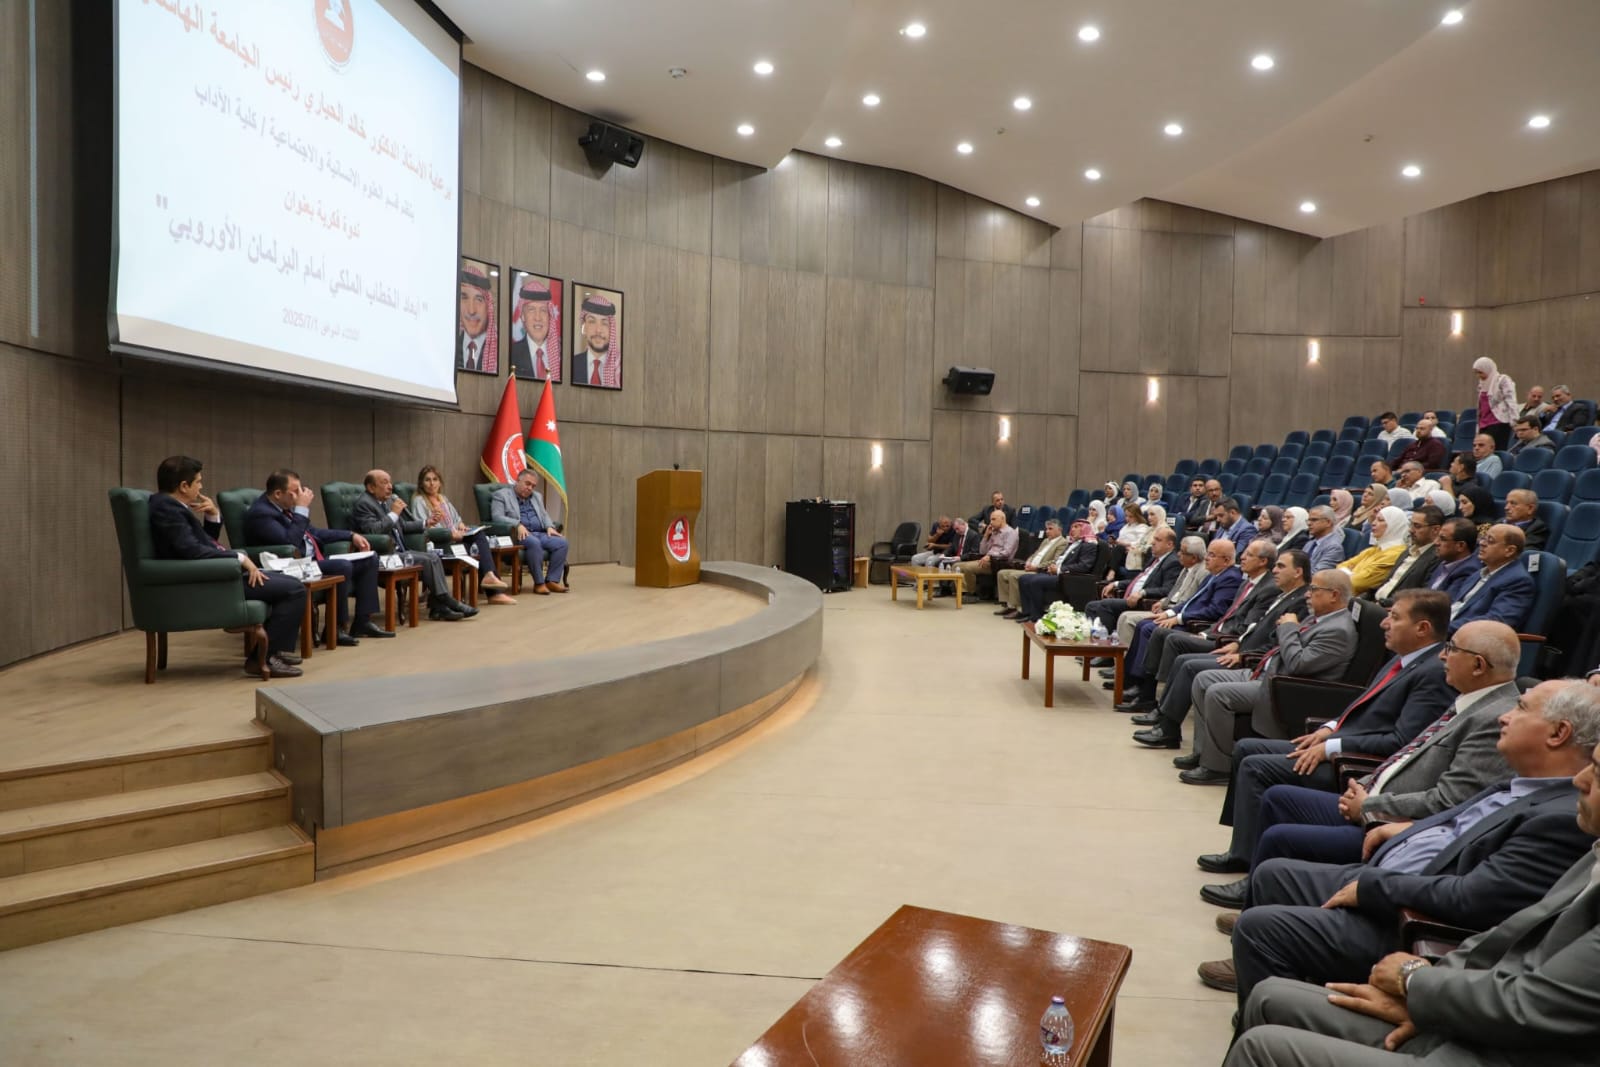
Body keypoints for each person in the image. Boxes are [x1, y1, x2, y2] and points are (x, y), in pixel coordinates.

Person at [1221, 684, 1600, 1067]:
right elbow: (1499, 939)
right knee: (1268, 990)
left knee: (1261, 1010)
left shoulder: (1562, 819)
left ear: (1558, 733)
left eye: (1597, 771)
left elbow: (1486, 918)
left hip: (1431, 949)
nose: (1580, 779)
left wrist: (1415, 981)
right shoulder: (1567, 830)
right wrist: (1425, 987)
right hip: (1450, 977)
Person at [1194, 589, 1454, 874]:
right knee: (1246, 748)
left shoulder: (1432, 674)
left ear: (1422, 628)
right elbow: (1363, 705)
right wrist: (1330, 727)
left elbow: (1402, 742)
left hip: (1356, 763)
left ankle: (1248, 860)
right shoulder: (1404, 657)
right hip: (1342, 741)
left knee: (1257, 767)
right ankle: (1243, 848)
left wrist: (1331, 748)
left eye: (1394, 616)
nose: (1384, 623)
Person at [1179, 569, 1358, 785]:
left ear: (1334, 595)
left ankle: (1217, 767)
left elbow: (1298, 664)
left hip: (1284, 687)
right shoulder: (1318, 617)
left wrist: (1289, 627)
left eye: (1313, 589)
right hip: (1266, 671)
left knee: (1218, 694)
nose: (1307, 594)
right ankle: (1204, 752)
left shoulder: (1339, 630)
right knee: (1203, 679)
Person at [147, 455, 306, 678]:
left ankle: (274, 650)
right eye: (198, 481)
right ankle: (263, 658)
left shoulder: (170, 506)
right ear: (184, 486)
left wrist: (213, 516)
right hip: (213, 581)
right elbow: (192, 552)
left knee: (291, 583)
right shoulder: (167, 509)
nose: (201, 486)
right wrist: (239, 559)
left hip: (217, 573)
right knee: (294, 589)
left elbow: (203, 544)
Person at [1123, 541, 1295, 728]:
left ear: (1263, 561)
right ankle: (1147, 693)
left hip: (1226, 641)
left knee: (1171, 641)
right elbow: (1225, 615)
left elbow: (1245, 626)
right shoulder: (1247, 583)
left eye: (1249, 555)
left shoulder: (1265, 587)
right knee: (1159, 633)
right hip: (1215, 632)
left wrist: (1216, 638)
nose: (1242, 557)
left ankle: (1156, 703)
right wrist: (1202, 630)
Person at [243, 469, 393, 645]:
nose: (301, 495)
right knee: (342, 566)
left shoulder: (285, 508)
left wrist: (351, 535)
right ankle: (335, 629)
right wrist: (301, 510)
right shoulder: (262, 514)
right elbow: (290, 543)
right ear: (277, 494)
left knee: (369, 559)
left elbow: (314, 532)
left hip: (312, 561)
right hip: (292, 566)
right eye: (296, 491)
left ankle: (363, 622)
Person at [350, 470, 477, 621]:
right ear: (371, 487)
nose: (390, 486)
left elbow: (402, 526)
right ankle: (447, 602)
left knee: (433, 557)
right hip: (384, 555)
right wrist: (394, 514)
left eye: (390, 482)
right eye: (384, 483)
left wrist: (426, 522)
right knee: (427, 560)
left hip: (401, 551)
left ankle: (439, 608)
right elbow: (373, 530)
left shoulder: (387, 501)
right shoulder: (364, 504)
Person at [409, 465, 515, 605]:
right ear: (421, 483)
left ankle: (490, 578)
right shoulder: (419, 501)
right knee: (480, 545)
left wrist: (461, 525)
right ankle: (494, 592)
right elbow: (423, 528)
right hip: (440, 546)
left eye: (435, 479)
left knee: (479, 534)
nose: (432, 483)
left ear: (440, 482)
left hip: (455, 541)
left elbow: (457, 518)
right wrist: (451, 534)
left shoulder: (443, 499)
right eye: (427, 480)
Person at [1083, 527, 1180, 632]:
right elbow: (1137, 580)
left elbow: (1167, 589)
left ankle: (1109, 639)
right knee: (1091, 606)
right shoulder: (1154, 558)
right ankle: (1095, 637)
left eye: (1158, 540)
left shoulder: (1173, 562)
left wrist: (1143, 592)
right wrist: (1116, 584)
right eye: (1154, 539)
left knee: (1106, 605)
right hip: (1131, 597)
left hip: (1144, 602)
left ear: (1169, 544)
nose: (1152, 542)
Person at [489, 469, 570, 593]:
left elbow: (544, 515)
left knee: (562, 543)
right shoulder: (501, 495)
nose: (530, 488)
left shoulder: (537, 496)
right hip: (518, 534)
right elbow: (497, 517)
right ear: (518, 480)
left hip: (539, 533)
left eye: (533, 486)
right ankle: (539, 583)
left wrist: (549, 526)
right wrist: (517, 525)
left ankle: (552, 581)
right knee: (534, 543)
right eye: (527, 484)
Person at [1448, 524, 1534, 634]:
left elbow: (1495, 621)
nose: (1481, 543)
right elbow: (1455, 604)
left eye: (1490, 541)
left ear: (1510, 550)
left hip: (1464, 637)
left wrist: (1442, 629)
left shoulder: (1518, 581)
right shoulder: (1478, 573)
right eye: (1483, 538)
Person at [1364, 506, 1445, 605]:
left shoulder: (1437, 557)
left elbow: (1421, 595)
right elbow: (1388, 583)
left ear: (1435, 529)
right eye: (1411, 525)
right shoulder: (1407, 552)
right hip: (1377, 602)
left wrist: (1383, 604)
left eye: (1417, 526)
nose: (1411, 530)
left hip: (1394, 607)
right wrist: (1366, 597)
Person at [996, 519, 1068, 618]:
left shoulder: (1062, 542)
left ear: (1059, 530)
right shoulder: (1046, 540)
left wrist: (1036, 567)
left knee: (1013, 576)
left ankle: (1019, 608)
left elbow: (1055, 561)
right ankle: (1008, 605)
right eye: (1046, 529)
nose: (1047, 531)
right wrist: (1028, 561)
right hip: (1031, 567)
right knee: (1002, 573)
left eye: (1050, 529)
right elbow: (1035, 553)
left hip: (1040, 571)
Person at [1339, 507, 1409, 596]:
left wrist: (1348, 573)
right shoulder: (1376, 549)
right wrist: (1352, 574)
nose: (1373, 523)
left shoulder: (1396, 553)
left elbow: (1357, 583)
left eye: (1380, 520)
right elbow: (1340, 566)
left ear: (1394, 526)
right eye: (1375, 519)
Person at [955, 508, 1017, 597]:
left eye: (993, 519)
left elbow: (1006, 553)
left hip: (999, 563)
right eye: (991, 519)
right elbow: (982, 551)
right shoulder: (994, 532)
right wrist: (986, 535)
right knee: (957, 566)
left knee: (968, 568)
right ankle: (962, 592)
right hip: (987, 560)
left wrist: (990, 556)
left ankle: (971, 593)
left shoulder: (1011, 533)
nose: (991, 522)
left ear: (1002, 519)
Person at [508, 277, 561, 381]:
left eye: (543, 310)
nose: (538, 317)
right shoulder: (511, 354)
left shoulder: (562, 356)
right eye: (531, 310)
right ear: (523, 316)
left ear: (549, 316)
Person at [574, 291, 621, 387]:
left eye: (604, 323)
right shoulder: (571, 364)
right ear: (584, 327)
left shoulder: (620, 368)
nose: (598, 330)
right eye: (592, 321)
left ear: (611, 329)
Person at [457, 262, 497, 373]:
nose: (471, 311)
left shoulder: (501, 352)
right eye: (464, 298)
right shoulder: (449, 347)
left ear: (488, 306)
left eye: (479, 299)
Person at [1473, 355, 1518, 448]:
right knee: (1483, 450)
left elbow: (1511, 400)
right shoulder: (1481, 384)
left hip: (1498, 422)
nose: (1478, 376)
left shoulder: (1502, 380)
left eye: (1480, 372)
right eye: (1476, 373)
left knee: (1496, 450)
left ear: (1488, 370)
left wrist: (1515, 421)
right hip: (1483, 423)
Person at [1303, 506, 1346, 574]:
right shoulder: (1309, 544)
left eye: (1314, 520)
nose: (1309, 523)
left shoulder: (1334, 547)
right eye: (1309, 520)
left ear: (1328, 522)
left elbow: (1318, 574)